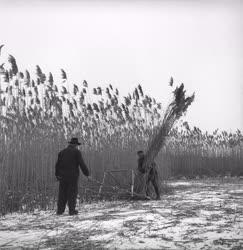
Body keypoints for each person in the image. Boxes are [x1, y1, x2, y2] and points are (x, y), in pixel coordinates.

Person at [55, 137, 90, 215]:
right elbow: (82, 164)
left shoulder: (61, 152)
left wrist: (57, 175)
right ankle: (72, 211)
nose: (77, 146)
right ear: (75, 145)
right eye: (77, 145)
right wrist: (87, 174)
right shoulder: (76, 152)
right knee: (72, 193)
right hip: (72, 177)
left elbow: (57, 165)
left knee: (62, 194)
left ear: (70, 144)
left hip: (62, 177)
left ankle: (60, 211)